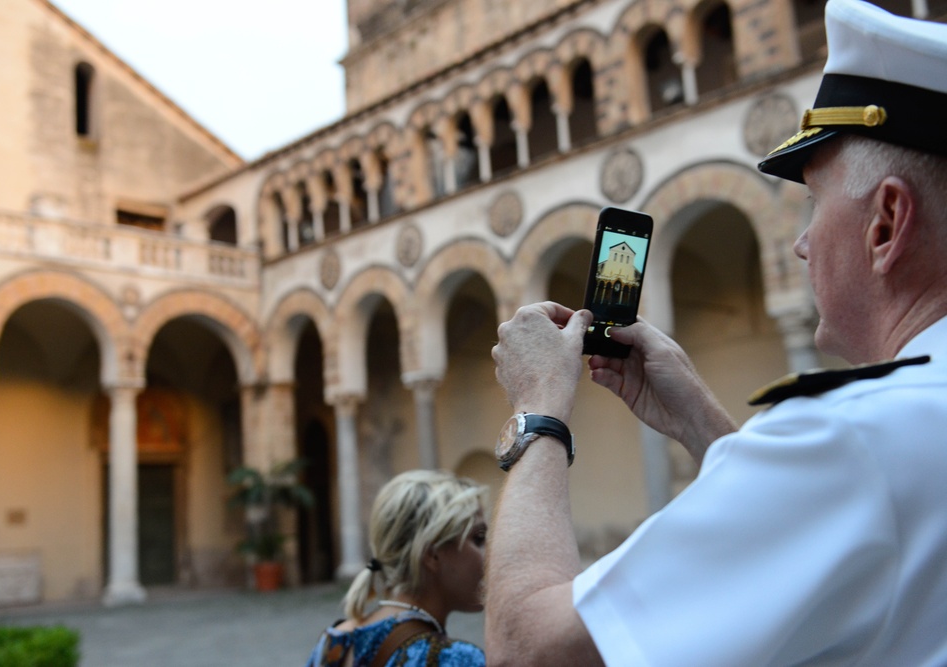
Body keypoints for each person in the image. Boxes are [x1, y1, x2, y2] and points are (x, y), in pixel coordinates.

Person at [484, 0, 947, 664]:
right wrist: (700, 420)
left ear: (886, 223)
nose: (801, 243)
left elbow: (528, 648)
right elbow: (817, 518)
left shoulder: (855, 438)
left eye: (815, 205)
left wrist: (538, 413)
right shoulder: (893, 434)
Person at [305, 469, 488, 667]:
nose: (490, 554)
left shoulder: (333, 642)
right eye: (478, 539)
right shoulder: (454, 659)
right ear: (431, 555)